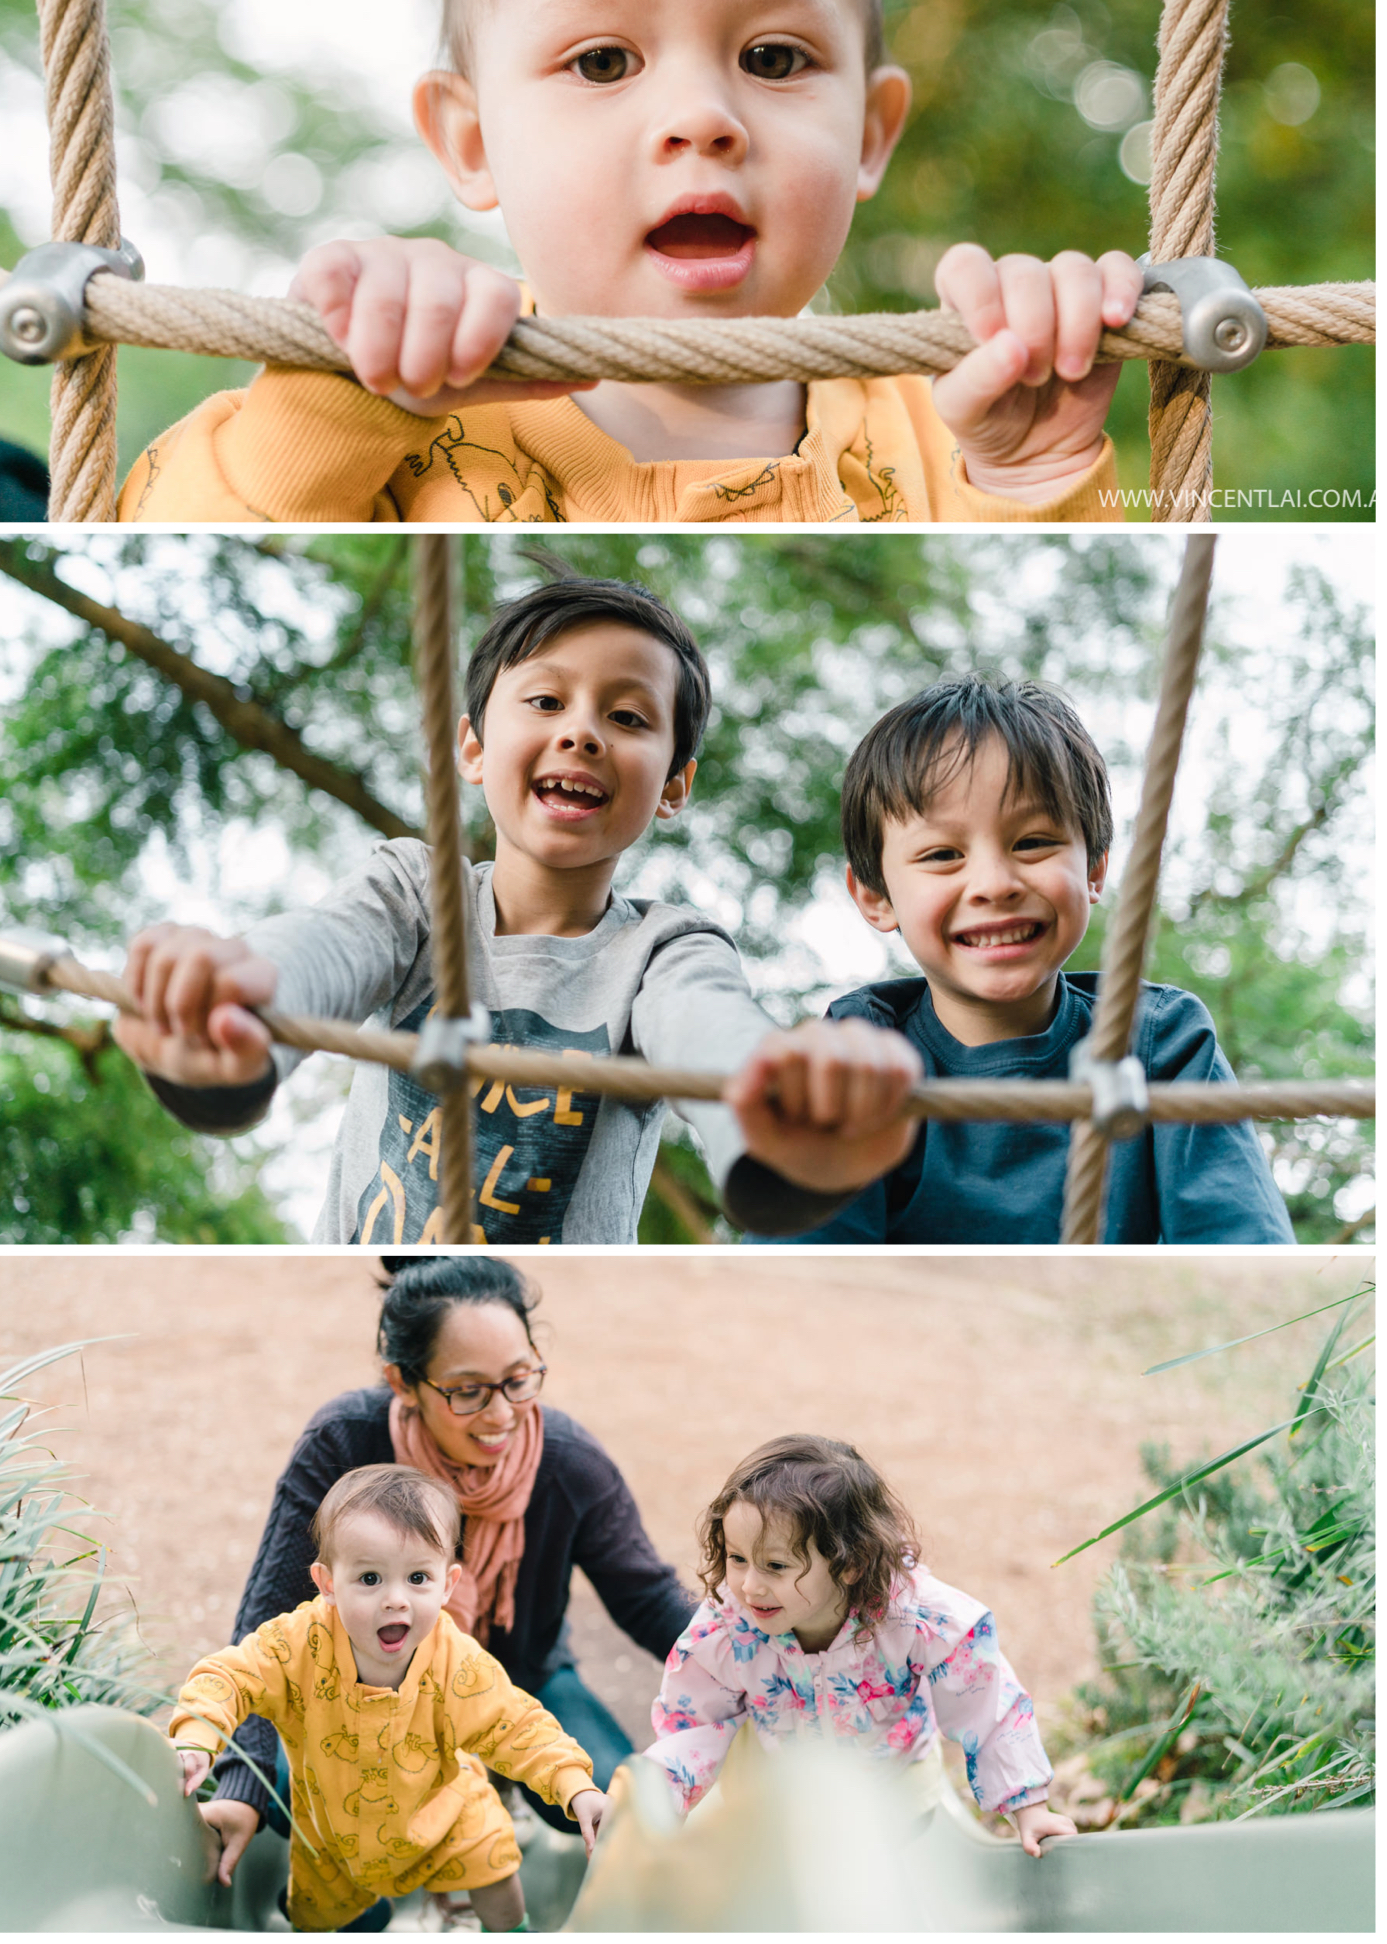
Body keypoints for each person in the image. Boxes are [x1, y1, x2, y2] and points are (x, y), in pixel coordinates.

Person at [118, 0, 1142, 522]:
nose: (703, 119)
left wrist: (1034, 475)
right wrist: (329, 404)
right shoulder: (384, 403)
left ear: (871, 135)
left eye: (775, 59)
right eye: (603, 63)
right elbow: (145, 549)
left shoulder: (956, 421)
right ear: (470, 142)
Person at [115, 575, 924, 1241]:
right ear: (471, 747)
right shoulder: (415, 893)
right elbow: (326, 947)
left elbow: (708, 1022)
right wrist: (246, 992)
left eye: (628, 716)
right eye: (545, 702)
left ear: (675, 785)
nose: (582, 732)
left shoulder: (664, 946)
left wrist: (768, 1097)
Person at [198, 1255, 697, 1902]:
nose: (501, 1414)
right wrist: (244, 1782)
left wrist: (753, 1668)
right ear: (403, 1382)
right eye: (468, 1391)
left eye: (519, 1379)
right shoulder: (344, 1443)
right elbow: (266, 1621)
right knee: (292, 1794)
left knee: (608, 1794)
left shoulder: (568, 1464)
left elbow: (649, 1597)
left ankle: (495, 1801)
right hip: (354, 1689)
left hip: (522, 1675)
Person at [774, 675, 1292, 1243]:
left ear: (1094, 868)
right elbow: (800, 1277)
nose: (994, 884)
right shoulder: (859, 1055)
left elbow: (1241, 1248)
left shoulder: (1159, 1042)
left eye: (1033, 842)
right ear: (876, 897)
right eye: (943, 854)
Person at [170, 1463, 610, 1932]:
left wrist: (575, 1786)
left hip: (442, 1815)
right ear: (328, 1584)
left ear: (448, 1585)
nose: (395, 1600)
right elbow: (231, 1675)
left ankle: (510, 1934)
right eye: (371, 1579)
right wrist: (198, 1734)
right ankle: (357, 1919)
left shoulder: (455, 1662)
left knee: (494, 1861)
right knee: (314, 1917)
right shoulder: (298, 1643)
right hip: (333, 1837)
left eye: (418, 1578)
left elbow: (518, 1725)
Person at [646, 1435, 1076, 1856]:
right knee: (785, 1874)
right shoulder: (730, 1625)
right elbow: (694, 1720)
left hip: (891, 1780)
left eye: (775, 1566)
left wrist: (1028, 1805)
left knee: (874, 1873)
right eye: (737, 1559)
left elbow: (988, 1704)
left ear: (850, 1564)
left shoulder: (916, 1617)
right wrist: (660, 1799)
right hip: (779, 1784)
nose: (748, 1585)